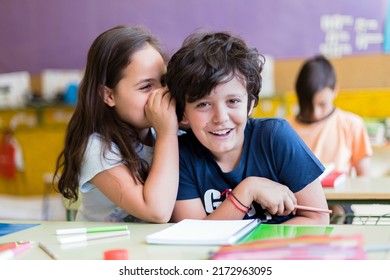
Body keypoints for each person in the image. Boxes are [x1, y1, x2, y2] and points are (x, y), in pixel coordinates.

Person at [165, 31, 330, 225]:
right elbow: (194, 234)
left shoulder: (276, 137)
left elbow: (319, 218)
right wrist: (248, 190)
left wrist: (253, 252)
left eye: (233, 101)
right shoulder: (180, 155)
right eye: (203, 104)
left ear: (250, 104)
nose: (221, 118)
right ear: (183, 112)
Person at [53, 25, 179, 223]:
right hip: (99, 250)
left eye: (163, 82)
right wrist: (167, 134)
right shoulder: (98, 148)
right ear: (109, 95)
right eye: (146, 86)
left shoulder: (164, 135)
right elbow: (157, 211)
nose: (161, 94)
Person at [287, 55, 373, 223]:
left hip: (337, 202)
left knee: (334, 211)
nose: (316, 113)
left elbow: (365, 179)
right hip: (295, 203)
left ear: (335, 90)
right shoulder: (284, 128)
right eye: (307, 106)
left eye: (322, 104)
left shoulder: (351, 124)